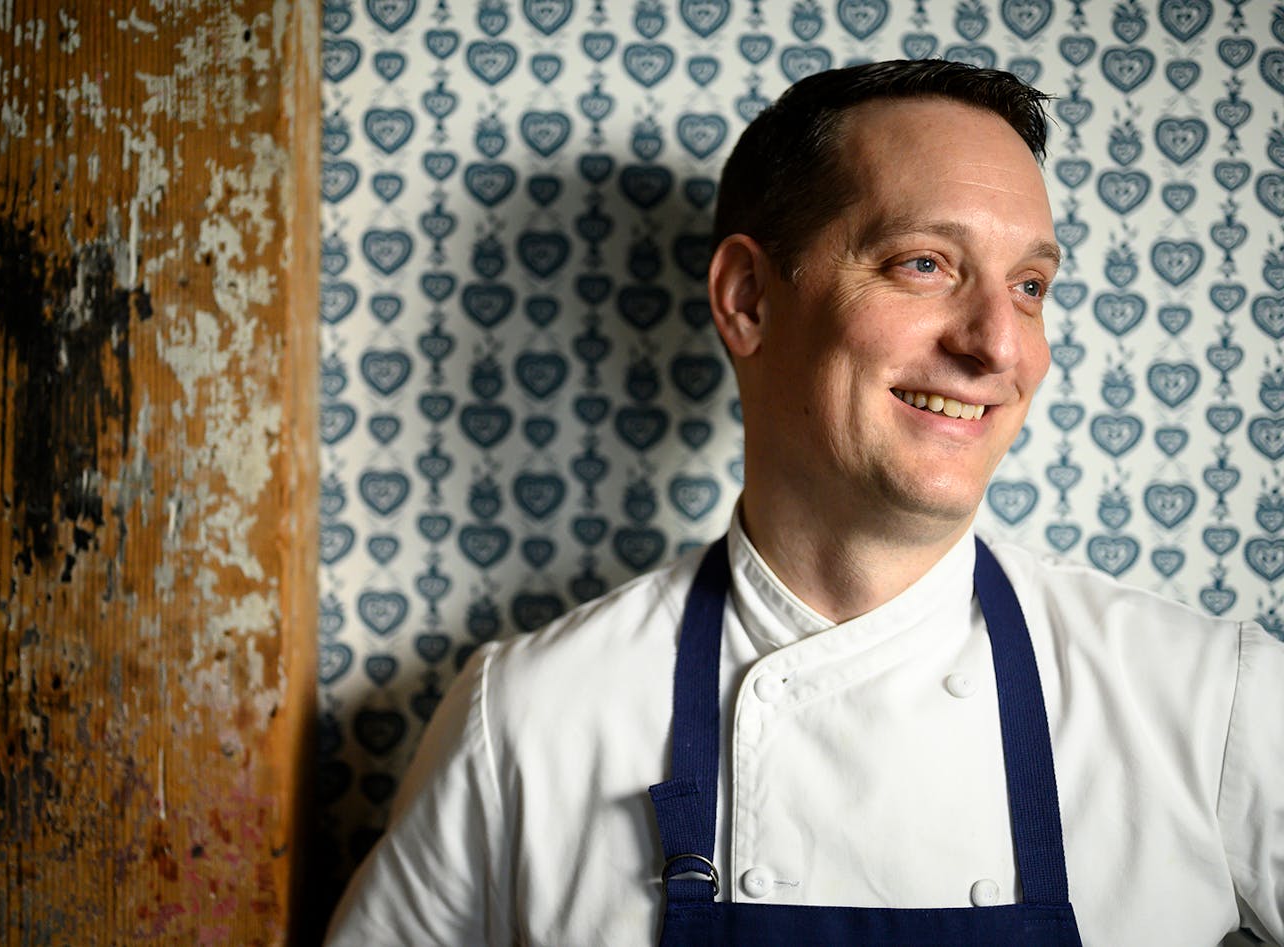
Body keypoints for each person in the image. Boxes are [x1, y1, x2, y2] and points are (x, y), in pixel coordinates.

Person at [326, 60, 1284, 945]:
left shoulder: (1214, 700)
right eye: (925, 263)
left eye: (1030, 285)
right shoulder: (531, 720)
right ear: (747, 297)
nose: (1001, 345)